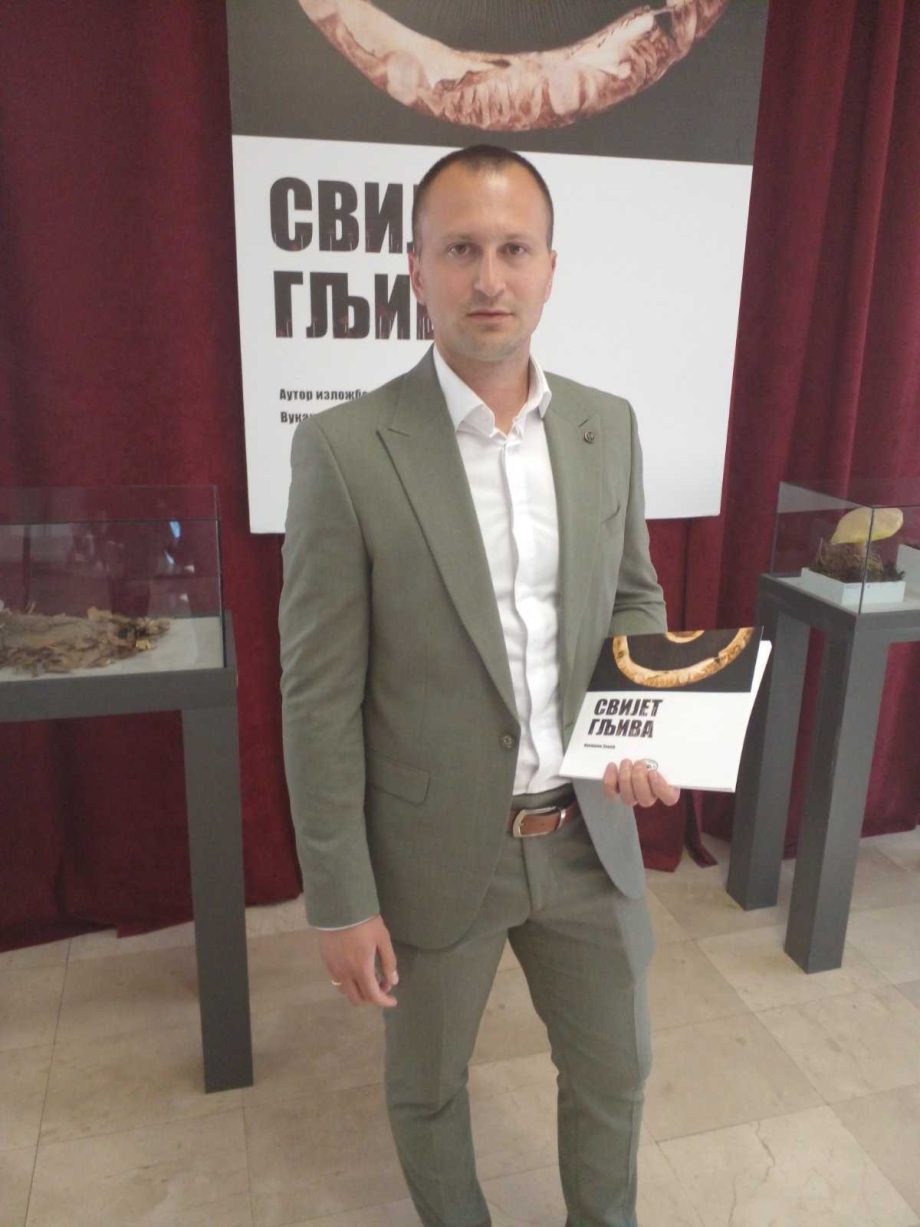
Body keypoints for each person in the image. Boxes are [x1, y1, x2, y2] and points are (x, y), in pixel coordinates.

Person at [279, 144, 680, 1227]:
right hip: (432, 853)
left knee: (615, 1073)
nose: (489, 279)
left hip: (587, 841)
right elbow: (318, 696)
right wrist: (341, 895)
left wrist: (635, 724)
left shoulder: (607, 424)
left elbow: (632, 598)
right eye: (460, 250)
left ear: (550, 268)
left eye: (513, 249)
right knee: (426, 1090)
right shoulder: (344, 451)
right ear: (416, 269)